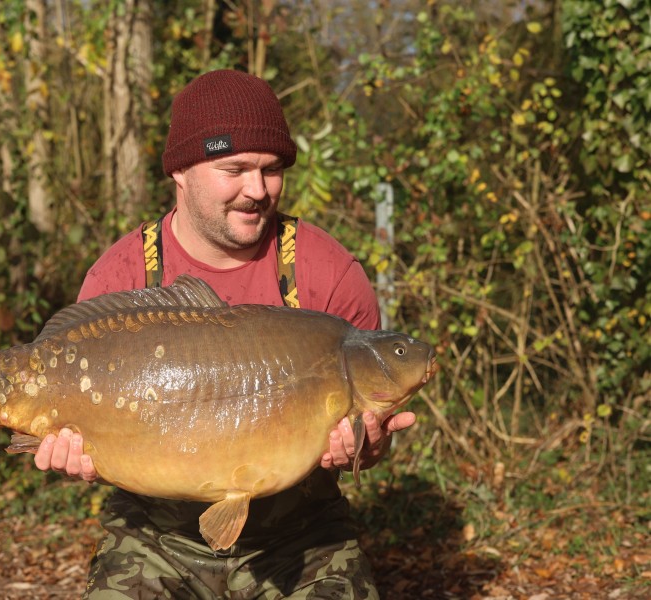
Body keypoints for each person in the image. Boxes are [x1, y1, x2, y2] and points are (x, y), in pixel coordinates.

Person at [34, 69, 416, 599]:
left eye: (272, 170)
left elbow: (372, 445)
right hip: (155, 535)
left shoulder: (327, 272)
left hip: (301, 539)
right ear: (181, 172)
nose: (257, 190)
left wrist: (366, 448)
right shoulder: (120, 277)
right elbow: (81, 430)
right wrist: (70, 450)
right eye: (234, 169)